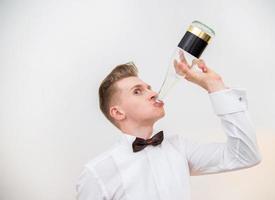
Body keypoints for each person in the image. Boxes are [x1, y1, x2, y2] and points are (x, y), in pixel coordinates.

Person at [75, 57, 262, 200]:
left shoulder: (180, 148)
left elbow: (245, 155)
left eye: (149, 88)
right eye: (137, 91)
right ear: (118, 113)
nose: (154, 93)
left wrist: (215, 85)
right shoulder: (97, 172)